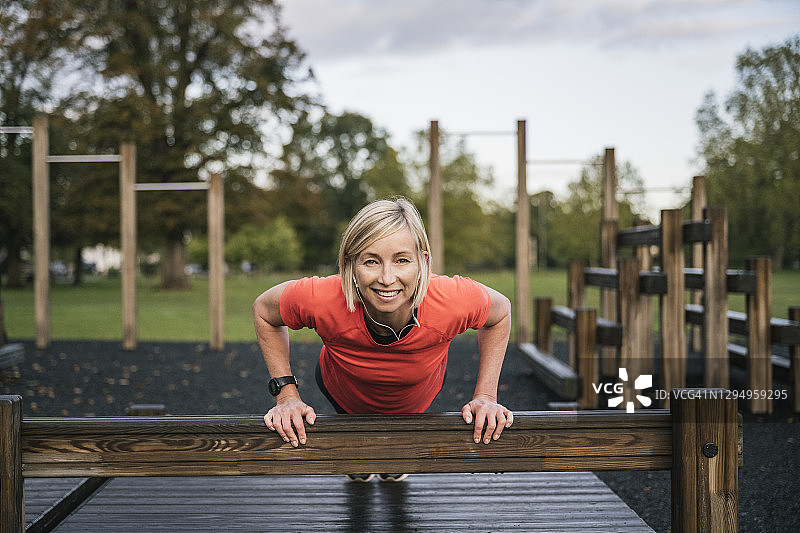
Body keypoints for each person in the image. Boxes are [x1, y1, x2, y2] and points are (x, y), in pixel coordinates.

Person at [253, 197, 513, 480]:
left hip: (416, 396)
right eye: (371, 261)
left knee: (393, 463)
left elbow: (500, 313)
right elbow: (265, 310)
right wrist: (286, 395)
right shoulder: (323, 298)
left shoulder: (452, 300)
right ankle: (358, 457)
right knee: (360, 460)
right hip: (343, 393)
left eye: (402, 260)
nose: (387, 278)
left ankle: (390, 460)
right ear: (350, 264)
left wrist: (486, 396)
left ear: (423, 261)